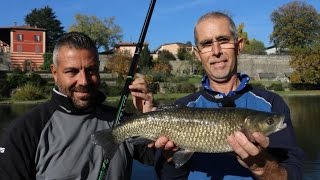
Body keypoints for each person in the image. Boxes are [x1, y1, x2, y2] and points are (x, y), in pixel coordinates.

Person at [154, 12, 304, 180]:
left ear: (239, 45)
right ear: (198, 54)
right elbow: (166, 176)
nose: (216, 51)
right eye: (207, 44)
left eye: (223, 40)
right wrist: (170, 160)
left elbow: (294, 173)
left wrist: (264, 168)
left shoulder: (271, 103)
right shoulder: (182, 107)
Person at [0, 32, 156, 180]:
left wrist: (150, 120)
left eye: (91, 70)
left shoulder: (123, 121)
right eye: (72, 71)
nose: (84, 81)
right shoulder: (25, 130)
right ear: (55, 73)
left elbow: (160, 161)